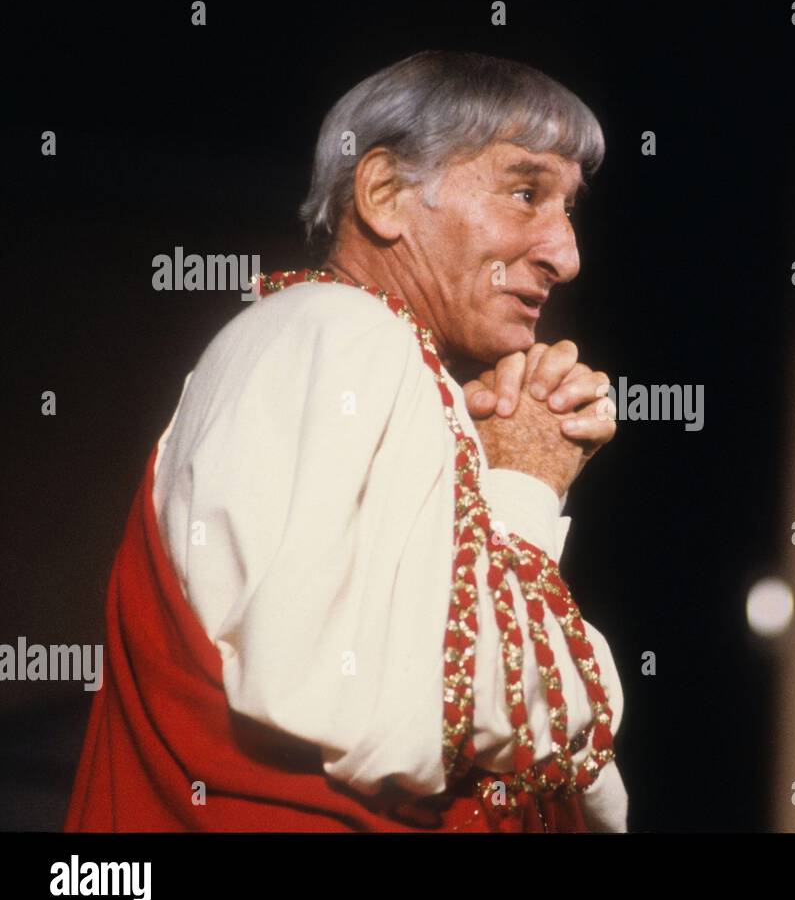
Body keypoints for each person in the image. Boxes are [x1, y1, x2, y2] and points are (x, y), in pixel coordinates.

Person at [64, 51, 628, 833]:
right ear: (386, 194)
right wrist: (525, 484)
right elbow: (398, 713)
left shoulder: (336, 344)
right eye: (525, 192)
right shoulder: (345, 335)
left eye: (568, 208)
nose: (565, 254)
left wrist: (494, 460)